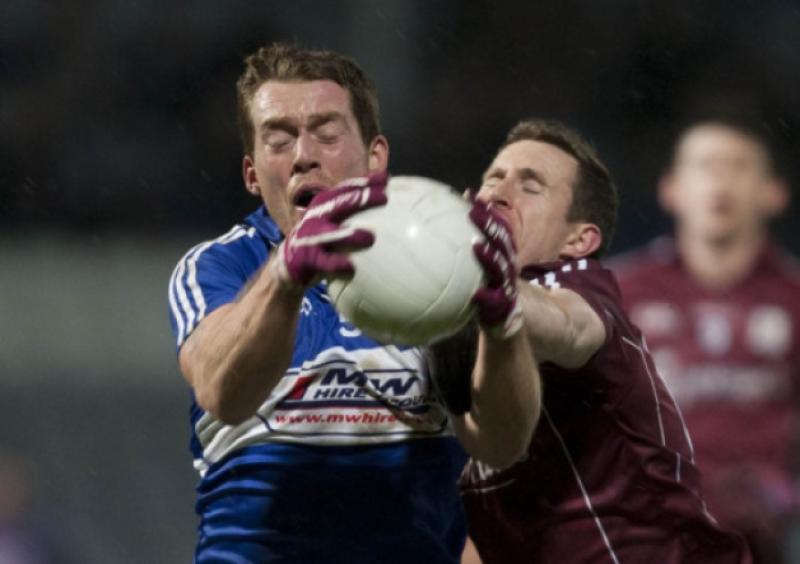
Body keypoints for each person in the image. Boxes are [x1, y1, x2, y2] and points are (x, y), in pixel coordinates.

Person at [167, 42, 536, 563]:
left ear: (376, 156)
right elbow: (223, 393)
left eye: (326, 131)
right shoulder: (218, 267)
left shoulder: (442, 264)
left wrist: (504, 326)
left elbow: (500, 444)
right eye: (280, 139)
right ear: (252, 175)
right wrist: (286, 274)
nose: (303, 156)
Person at [430, 118, 751, 563]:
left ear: (579, 240)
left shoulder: (581, 289)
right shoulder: (447, 316)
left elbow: (564, 324)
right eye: (493, 178)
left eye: (531, 185)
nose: (499, 192)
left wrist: (501, 289)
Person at [613, 114, 799, 563]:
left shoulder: (795, 298)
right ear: (671, 189)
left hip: (765, 542)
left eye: (737, 166)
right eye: (705, 165)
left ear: (774, 194)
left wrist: (788, 492)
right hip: (642, 539)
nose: (721, 181)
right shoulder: (619, 294)